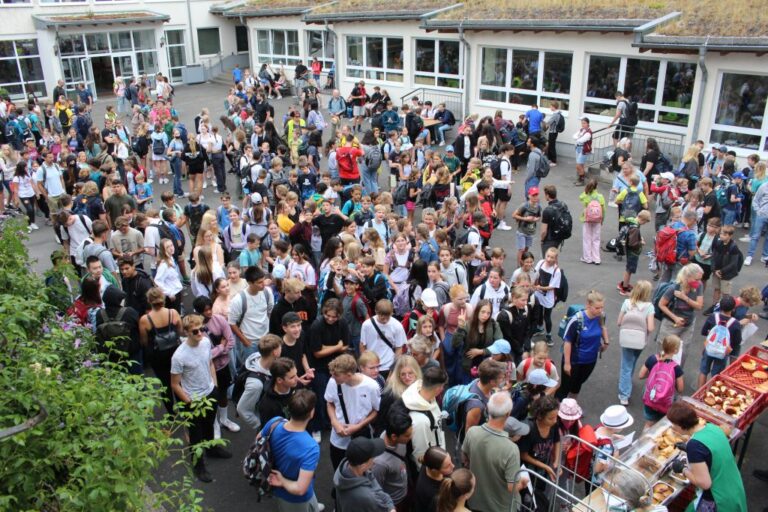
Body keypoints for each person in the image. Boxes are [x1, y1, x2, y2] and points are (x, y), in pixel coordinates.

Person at [170, 313, 232, 483]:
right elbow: (175, 384)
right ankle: (198, 466)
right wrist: (189, 401)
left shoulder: (205, 342)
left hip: (210, 393)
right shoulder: (179, 356)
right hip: (193, 400)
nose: (201, 333)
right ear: (186, 333)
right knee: (195, 435)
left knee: (209, 426)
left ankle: (212, 449)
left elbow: (210, 363)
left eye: (202, 329)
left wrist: (215, 386)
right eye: (195, 331)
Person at [666, 401, 747, 511]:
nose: (673, 427)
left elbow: (705, 483)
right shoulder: (712, 428)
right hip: (733, 488)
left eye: (673, 424)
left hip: (718, 500)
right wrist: (688, 449)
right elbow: (712, 450)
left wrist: (682, 469)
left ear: (681, 426)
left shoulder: (695, 446)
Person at [462, 391, 529, 512]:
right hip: (501, 507)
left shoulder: (472, 432)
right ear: (508, 414)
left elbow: (465, 459)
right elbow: (511, 487)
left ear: (487, 408)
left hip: (475, 501)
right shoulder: (511, 449)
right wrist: (523, 483)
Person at [263, 390, 324, 512]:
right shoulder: (311, 447)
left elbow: (258, 440)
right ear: (311, 413)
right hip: (295, 499)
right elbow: (300, 489)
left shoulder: (274, 422)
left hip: (280, 491)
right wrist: (282, 481)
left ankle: (314, 506)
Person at [192, 295, 239, 438]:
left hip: (222, 366)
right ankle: (214, 424)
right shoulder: (195, 327)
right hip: (206, 369)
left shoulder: (220, 320)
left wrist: (218, 350)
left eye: (209, 309)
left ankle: (224, 419)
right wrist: (221, 347)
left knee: (223, 393)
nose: (208, 312)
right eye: (205, 310)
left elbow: (231, 341)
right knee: (210, 396)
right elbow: (201, 354)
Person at [325, 353, 381, 471]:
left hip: (362, 436)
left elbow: (376, 410)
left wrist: (358, 426)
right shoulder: (333, 382)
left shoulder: (371, 386)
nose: (333, 377)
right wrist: (334, 422)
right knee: (338, 471)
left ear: (349, 375)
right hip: (338, 439)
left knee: (362, 472)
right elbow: (329, 402)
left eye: (336, 375)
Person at [556, 290, 608, 400]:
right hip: (575, 361)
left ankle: (571, 408)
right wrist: (567, 363)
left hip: (590, 360)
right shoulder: (577, 320)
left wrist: (606, 342)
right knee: (565, 387)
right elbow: (568, 341)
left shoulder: (601, 316)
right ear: (588, 305)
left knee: (577, 384)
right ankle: (555, 409)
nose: (600, 310)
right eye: (597, 308)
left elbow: (603, 327)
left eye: (602, 307)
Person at [656, 263, 705, 369]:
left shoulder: (699, 286)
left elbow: (699, 306)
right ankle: (661, 376)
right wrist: (675, 318)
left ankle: (675, 376)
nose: (699, 282)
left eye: (700, 279)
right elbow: (661, 304)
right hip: (670, 325)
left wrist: (684, 298)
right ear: (688, 277)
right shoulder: (674, 288)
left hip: (687, 326)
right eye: (696, 279)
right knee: (665, 352)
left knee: (682, 354)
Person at [617, 280, 655, 406]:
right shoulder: (649, 307)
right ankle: (626, 385)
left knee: (626, 366)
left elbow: (619, 321)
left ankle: (624, 394)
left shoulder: (627, 303)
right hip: (640, 340)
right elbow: (650, 328)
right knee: (632, 362)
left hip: (627, 338)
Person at [371, 402, 415, 512]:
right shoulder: (379, 463)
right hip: (395, 503)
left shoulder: (398, 437)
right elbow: (376, 490)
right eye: (407, 435)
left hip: (405, 489)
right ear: (394, 437)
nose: (411, 437)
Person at [401, 366, 448, 468]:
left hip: (439, 453)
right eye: (442, 386)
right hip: (433, 467)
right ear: (438, 389)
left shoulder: (428, 396)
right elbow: (420, 453)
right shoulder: (420, 421)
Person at [228, 265, 274, 367]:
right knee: (250, 369)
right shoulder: (239, 300)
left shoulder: (267, 292)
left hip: (266, 338)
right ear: (249, 283)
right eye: (259, 282)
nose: (263, 285)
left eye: (263, 281)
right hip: (250, 342)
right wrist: (245, 341)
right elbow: (232, 322)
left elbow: (270, 312)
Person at [334, 437, 395, 512]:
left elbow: (371, 479)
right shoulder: (368, 497)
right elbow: (384, 507)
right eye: (373, 457)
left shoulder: (344, 466)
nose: (375, 460)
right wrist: (390, 506)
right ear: (362, 465)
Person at [237, 333, 281, 430]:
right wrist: (261, 427)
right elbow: (242, 410)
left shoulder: (257, 356)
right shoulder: (255, 385)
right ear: (275, 352)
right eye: (280, 347)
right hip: (265, 422)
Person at [639, 335, 683, 428]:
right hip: (665, 403)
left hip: (650, 397)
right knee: (661, 426)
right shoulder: (676, 368)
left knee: (649, 424)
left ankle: (644, 441)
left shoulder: (653, 359)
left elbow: (641, 375)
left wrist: (654, 374)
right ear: (675, 350)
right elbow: (680, 389)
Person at [698, 295, 742, 387]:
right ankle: (711, 394)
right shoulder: (735, 323)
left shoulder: (713, 317)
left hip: (709, 348)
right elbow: (737, 341)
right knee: (716, 374)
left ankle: (697, 395)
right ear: (733, 308)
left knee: (703, 371)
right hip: (723, 352)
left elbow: (704, 332)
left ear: (720, 306)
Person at [519, 395, 561, 492]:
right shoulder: (530, 429)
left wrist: (556, 461)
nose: (554, 421)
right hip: (527, 471)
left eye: (556, 417)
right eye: (551, 418)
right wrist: (546, 467)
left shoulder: (554, 425)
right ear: (540, 416)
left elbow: (557, 441)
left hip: (543, 470)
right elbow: (523, 455)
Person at [360, 300, 407, 379]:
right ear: (376, 312)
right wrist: (365, 364)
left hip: (388, 366)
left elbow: (399, 349)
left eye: (387, 316)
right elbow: (362, 345)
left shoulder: (397, 326)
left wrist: (393, 369)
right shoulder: (367, 325)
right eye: (381, 316)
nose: (384, 319)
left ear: (392, 313)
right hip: (371, 366)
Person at [578, 178, 605, 265]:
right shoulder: (600, 197)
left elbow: (580, 197)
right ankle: (596, 258)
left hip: (587, 219)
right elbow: (603, 209)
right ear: (597, 186)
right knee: (596, 239)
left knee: (587, 238)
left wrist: (586, 190)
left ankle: (587, 258)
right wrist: (602, 219)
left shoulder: (586, 196)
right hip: (597, 220)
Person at [540, 185, 570, 256]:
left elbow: (544, 231)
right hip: (560, 235)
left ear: (547, 195)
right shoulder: (563, 205)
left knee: (548, 258)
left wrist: (542, 240)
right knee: (554, 256)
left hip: (551, 238)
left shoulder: (547, 210)